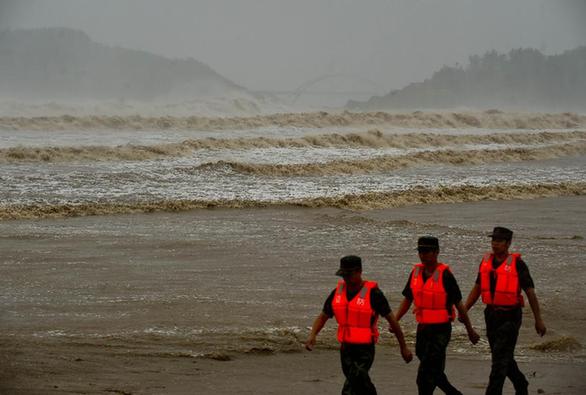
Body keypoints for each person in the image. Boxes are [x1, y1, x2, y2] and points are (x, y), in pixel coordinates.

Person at [305, 255, 413, 395]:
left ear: (359, 271)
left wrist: (403, 347)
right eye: (343, 275)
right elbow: (323, 316)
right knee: (359, 384)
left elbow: (392, 320)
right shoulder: (337, 293)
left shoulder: (374, 294)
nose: (346, 279)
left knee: (353, 382)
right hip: (346, 349)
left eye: (349, 275)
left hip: (365, 349)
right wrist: (312, 335)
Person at [463, 226, 546, 395]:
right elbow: (477, 288)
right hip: (491, 315)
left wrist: (539, 320)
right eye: (493, 240)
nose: (495, 244)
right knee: (501, 357)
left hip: (510, 316)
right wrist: (464, 310)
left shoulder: (518, 264)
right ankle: (521, 383)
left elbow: (530, 293)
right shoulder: (485, 262)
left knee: (498, 363)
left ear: (508, 243)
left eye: (499, 241)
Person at [393, 236, 480, 395]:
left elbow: (459, 305)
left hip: (441, 330)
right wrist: (395, 320)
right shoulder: (416, 272)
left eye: (426, 251)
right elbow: (407, 299)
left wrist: (470, 331)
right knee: (433, 371)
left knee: (425, 375)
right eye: (420, 251)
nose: (423, 255)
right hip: (423, 329)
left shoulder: (445, 276)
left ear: (436, 252)